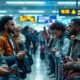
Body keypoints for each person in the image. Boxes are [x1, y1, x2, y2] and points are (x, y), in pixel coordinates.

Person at [0, 16, 25, 80]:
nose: (14, 27)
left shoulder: (12, 38)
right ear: (5, 26)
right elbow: (1, 59)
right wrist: (16, 57)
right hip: (6, 73)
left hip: (14, 70)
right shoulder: (1, 39)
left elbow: (14, 52)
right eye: (12, 25)